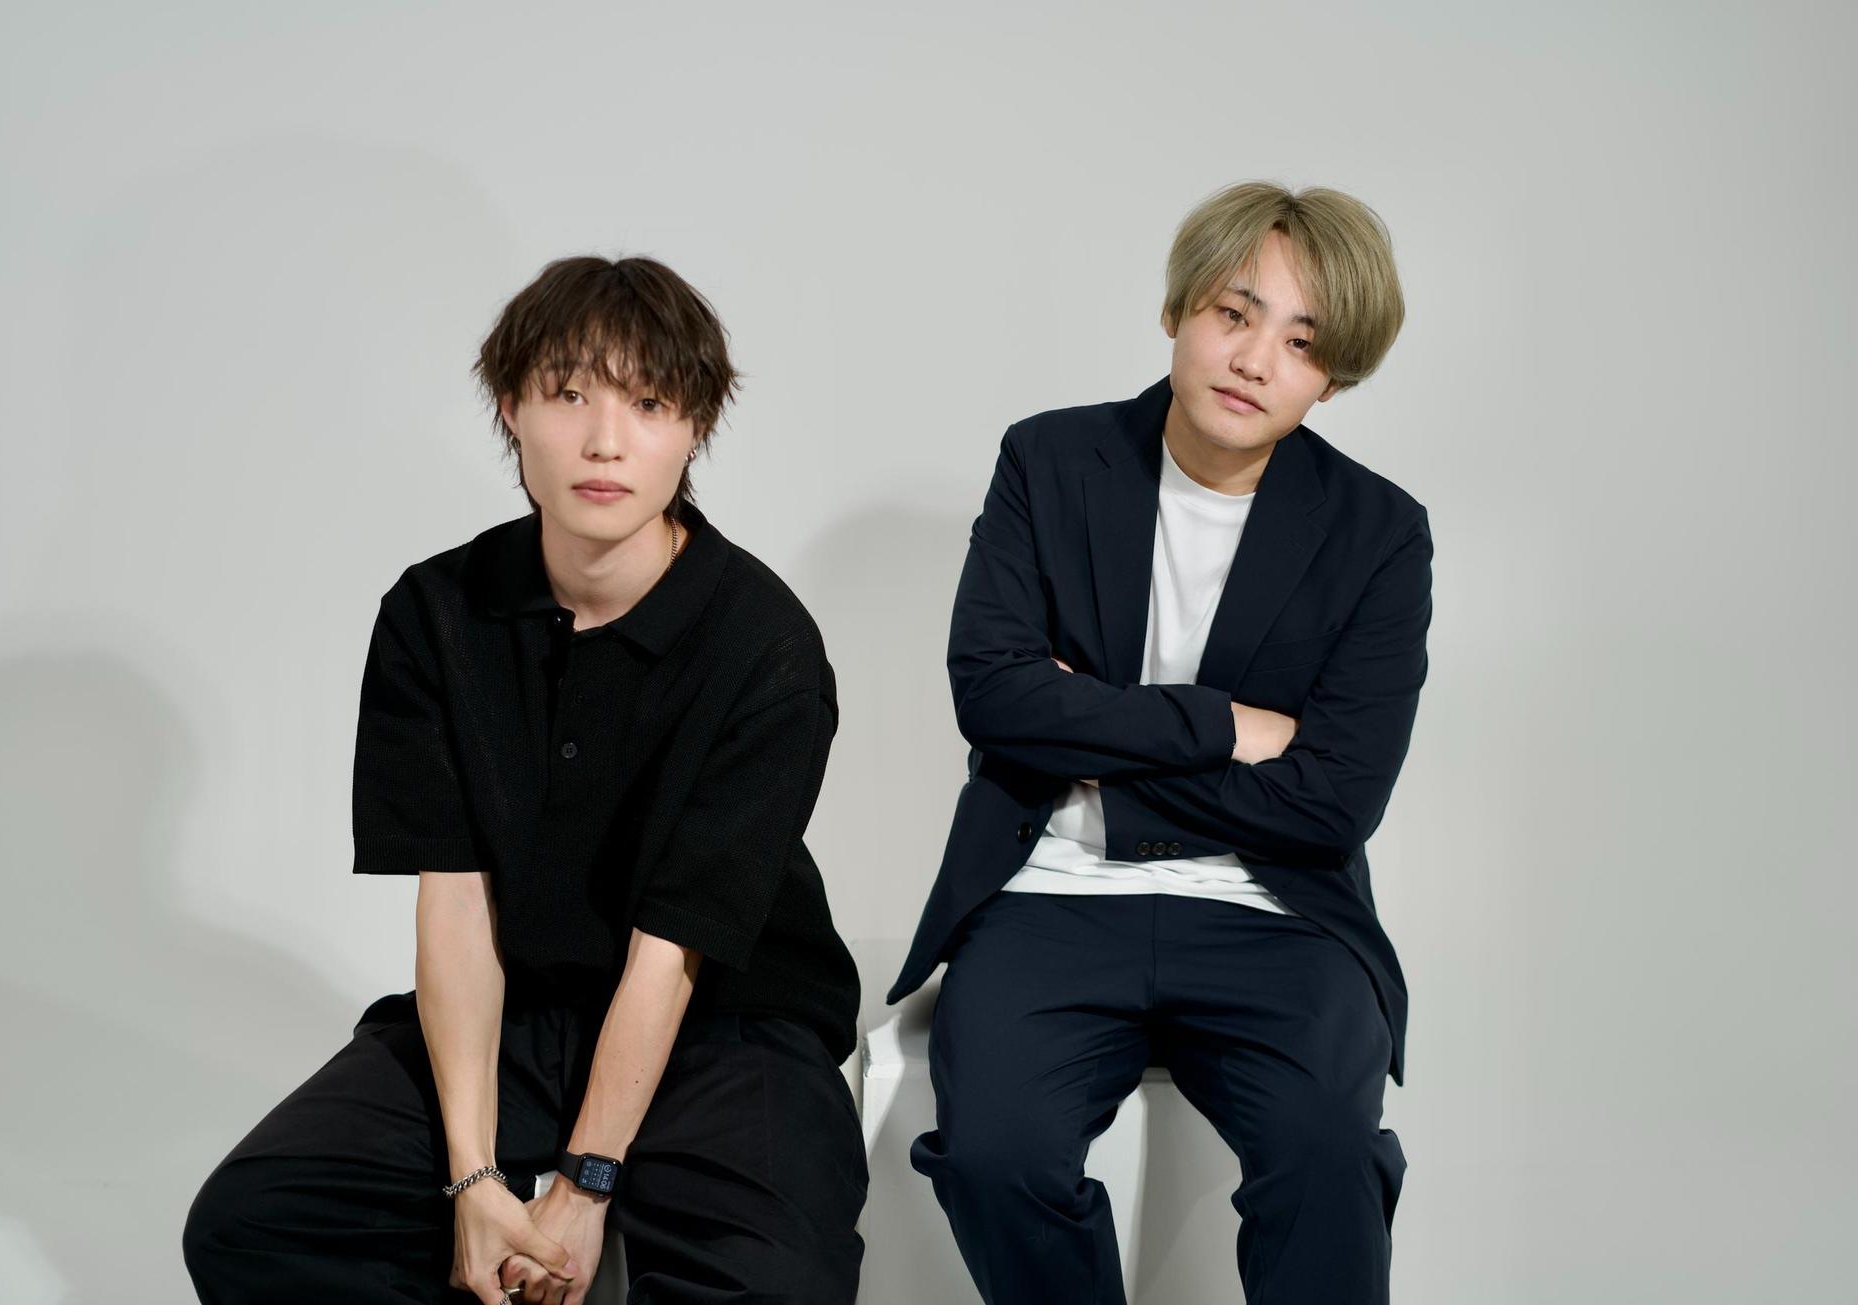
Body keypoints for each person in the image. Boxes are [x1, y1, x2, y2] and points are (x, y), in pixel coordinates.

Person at [183, 255, 867, 1304]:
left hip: (727, 1020)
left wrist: (585, 1187)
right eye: (568, 395)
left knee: (771, 1283)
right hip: (517, 1011)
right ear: (511, 407)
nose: (605, 441)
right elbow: (456, 903)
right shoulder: (437, 612)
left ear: (694, 428)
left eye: (649, 404)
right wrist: (475, 1178)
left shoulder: (763, 643)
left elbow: (673, 949)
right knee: (256, 1222)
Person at [893, 181, 1428, 1304]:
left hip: (1273, 913)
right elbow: (994, 697)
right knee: (992, 1157)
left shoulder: (1378, 531)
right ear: (1180, 309)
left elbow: (1333, 801)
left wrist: (1096, 746)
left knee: (1329, 1157)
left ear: (1332, 378)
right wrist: (1223, 725)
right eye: (1234, 314)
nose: (1255, 360)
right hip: (1048, 895)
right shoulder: (1049, 461)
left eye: (1301, 342)